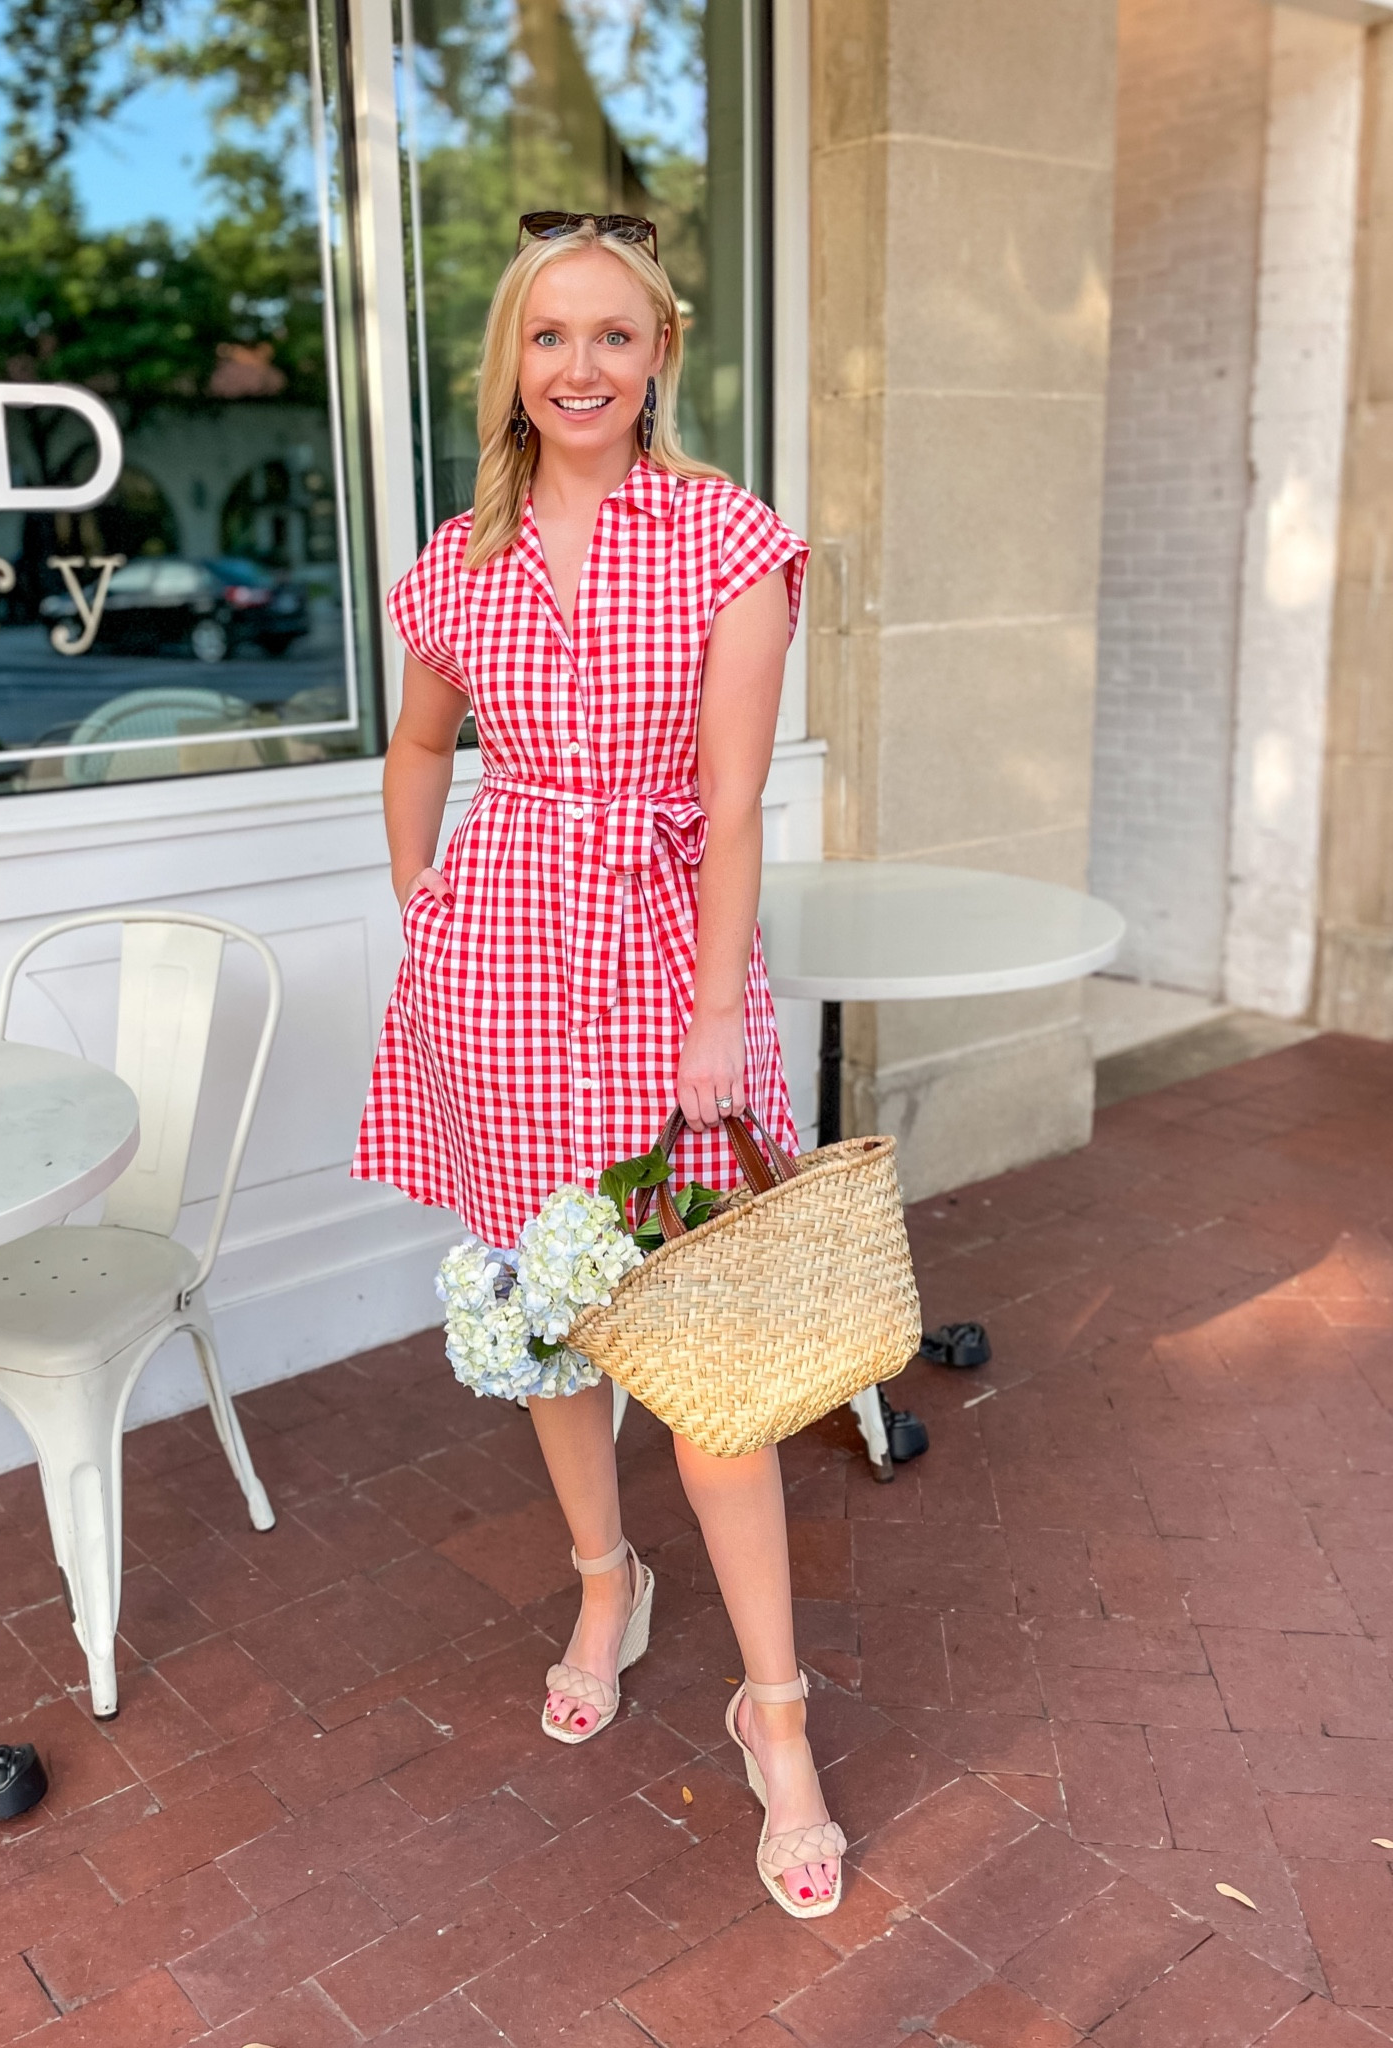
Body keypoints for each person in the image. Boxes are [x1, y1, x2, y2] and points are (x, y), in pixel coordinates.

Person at [355, 212, 845, 1915]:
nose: (580, 366)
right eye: (550, 335)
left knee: (708, 1365)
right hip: (495, 979)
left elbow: (734, 810)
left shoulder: (724, 537)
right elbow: (421, 745)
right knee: (542, 1317)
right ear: (512, 361)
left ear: (660, 357)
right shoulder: (457, 557)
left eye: (613, 336)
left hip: (661, 974)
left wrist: (714, 1015)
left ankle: (776, 1712)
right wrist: (424, 899)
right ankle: (603, 1578)